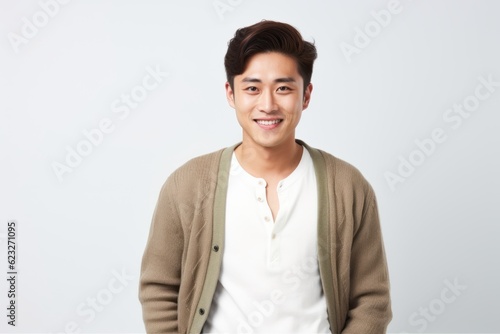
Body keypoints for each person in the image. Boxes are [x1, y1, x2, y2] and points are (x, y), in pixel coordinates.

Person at [139, 20, 392, 333]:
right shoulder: (188, 185)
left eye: (284, 88)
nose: (268, 105)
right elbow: (159, 288)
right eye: (252, 88)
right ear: (231, 94)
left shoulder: (347, 186)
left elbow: (372, 299)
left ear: (306, 95)